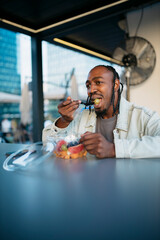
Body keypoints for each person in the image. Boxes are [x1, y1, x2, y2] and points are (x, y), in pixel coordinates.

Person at [43, 65, 160, 159]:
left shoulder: (143, 116)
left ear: (115, 85)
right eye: (88, 85)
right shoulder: (83, 117)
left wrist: (113, 149)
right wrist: (64, 121)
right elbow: (48, 145)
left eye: (98, 82)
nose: (91, 90)